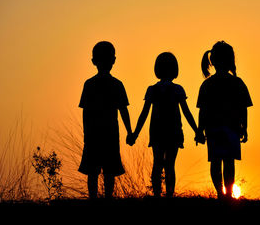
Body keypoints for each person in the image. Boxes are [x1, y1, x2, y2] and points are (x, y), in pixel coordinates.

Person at [128, 52, 201, 197]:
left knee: (157, 163)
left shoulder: (152, 90)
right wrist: (197, 130)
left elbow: (144, 114)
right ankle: (169, 195)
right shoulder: (178, 89)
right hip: (174, 132)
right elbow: (186, 112)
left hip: (157, 132)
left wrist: (134, 133)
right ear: (175, 69)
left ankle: (156, 195)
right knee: (170, 165)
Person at [197, 41, 253, 199]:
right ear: (231, 61)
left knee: (215, 162)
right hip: (233, 128)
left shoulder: (207, 84)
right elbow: (244, 109)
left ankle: (220, 193)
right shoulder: (238, 83)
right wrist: (245, 128)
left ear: (212, 61)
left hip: (213, 128)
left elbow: (203, 111)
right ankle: (228, 194)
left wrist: (200, 130)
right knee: (229, 162)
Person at [78, 41, 133, 199]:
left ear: (94, 61)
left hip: (93, 134)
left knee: (92, 171)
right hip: (110, 134)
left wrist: (86, 132)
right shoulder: (117, 84)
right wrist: (129, 132)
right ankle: (108, 198)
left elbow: (85, 112)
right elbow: (123, 110)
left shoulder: (89, 84)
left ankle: (93, 199)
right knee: (110, 171)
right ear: (114, 60)